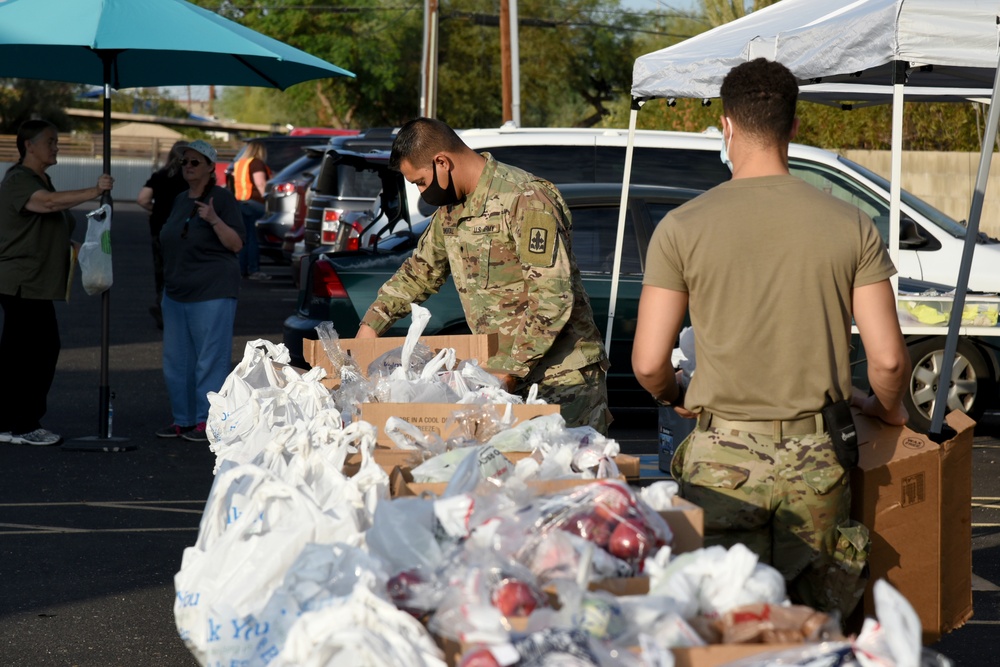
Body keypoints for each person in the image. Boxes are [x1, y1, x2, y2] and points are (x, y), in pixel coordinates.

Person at [631, 58, 910, 618]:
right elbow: (887, 358)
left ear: (727, 127)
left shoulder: (682, 226)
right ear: (794, 127)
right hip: (817, 458)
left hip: (720, 460)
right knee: (814, 627)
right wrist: (887, 406)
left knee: (723, 625)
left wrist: (674, 396)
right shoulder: (852, 224)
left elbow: (647, 363)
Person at [355, 117, 611, 433]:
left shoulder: (525, 198)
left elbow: (552, 299)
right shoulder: (452, 209)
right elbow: (419, 272)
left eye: (420, 181)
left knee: (567, 477)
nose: (422, 192)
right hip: (501, 381)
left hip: (560, 380)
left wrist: (509, 372)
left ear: (442, 163)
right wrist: (371, 327)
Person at [0, 119, 114, 446]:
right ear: (29, 146)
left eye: (56, 140)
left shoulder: (42, 179)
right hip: (22, 282)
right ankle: (22, 424)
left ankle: (11, 421)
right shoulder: (20, 181)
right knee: (34, 351)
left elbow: (47, 225)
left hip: (36, 282)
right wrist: (96, 190)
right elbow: (46, 205)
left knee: (21, 352)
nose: (56, 146)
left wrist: (80, 248)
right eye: (50, 141)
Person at [156, 140, 244, 442]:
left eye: (195, 162)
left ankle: (207, 422)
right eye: (185, 162)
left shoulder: (222, 199)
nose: (188, 166)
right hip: (177, 291)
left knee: (209, 361)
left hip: (212, 291)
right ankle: (182, 420)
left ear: (210, 167)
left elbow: (236, 244)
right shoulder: (181, 198)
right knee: (176, 362)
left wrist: (214, 219)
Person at [137, 140, 189, 329]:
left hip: (159, 229)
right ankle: (177, 309)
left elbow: (142, 198)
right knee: (181, 270)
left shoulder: (160, 176)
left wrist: (155, 210)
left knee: (161, 270)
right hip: (183, 231)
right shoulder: (190, 178)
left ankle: (162, 302)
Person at [230, 140, 271, 281]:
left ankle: (241, 270)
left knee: (244, 238)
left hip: (241, 202)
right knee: (252, 238)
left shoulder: (240, 163)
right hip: (254, 203)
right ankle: (254, 269)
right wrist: (269, 201)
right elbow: (260, 184)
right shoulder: (257, 163)